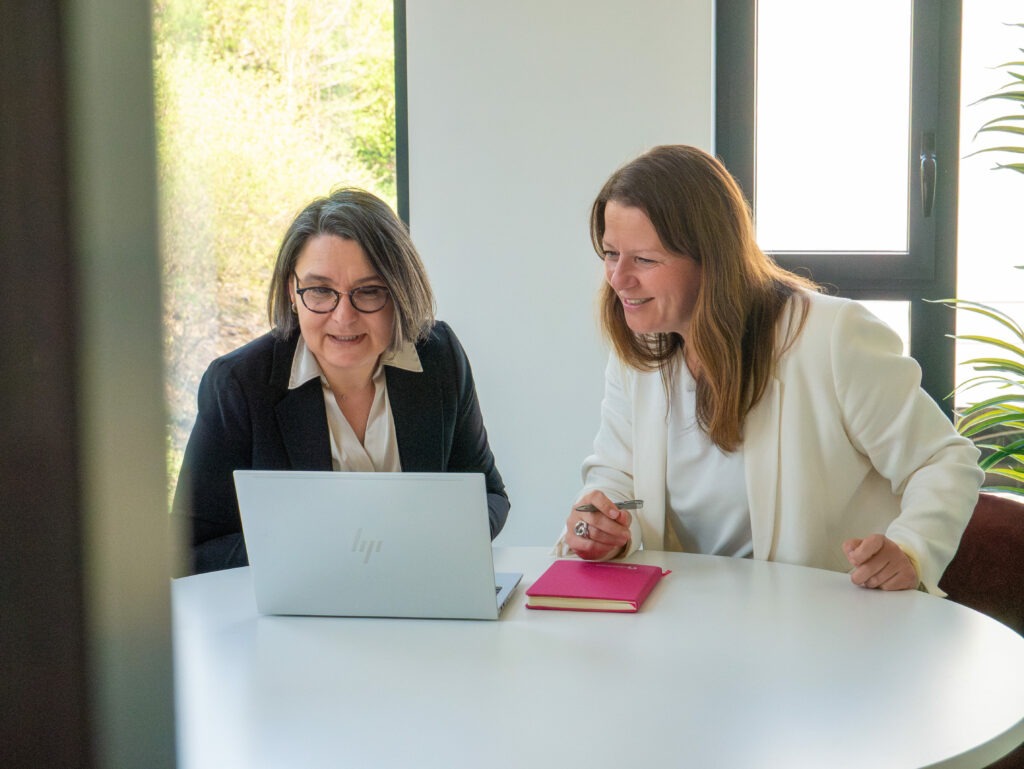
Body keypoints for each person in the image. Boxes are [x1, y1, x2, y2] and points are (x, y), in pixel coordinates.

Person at [558, 145, 983, 595]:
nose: (618, 278)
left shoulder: (830, 336)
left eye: (644, 260)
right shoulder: (640, 351)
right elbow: (617, 477)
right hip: (688, 622)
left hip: (828, 625)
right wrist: (599, 523)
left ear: (712, 260)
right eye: (609, 254)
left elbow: (942, 461)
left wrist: (911, 549)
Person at [173, 187, 509, 574]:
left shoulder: (439, 357)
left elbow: (488, 496)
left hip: (421, 601)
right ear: (292, 293)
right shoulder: (239, 384)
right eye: (320, 291)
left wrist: (427, 544)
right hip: (297, 620)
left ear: (400, 291)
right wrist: (321, 549)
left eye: (369, 292)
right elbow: (189, 551)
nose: (343, 316)